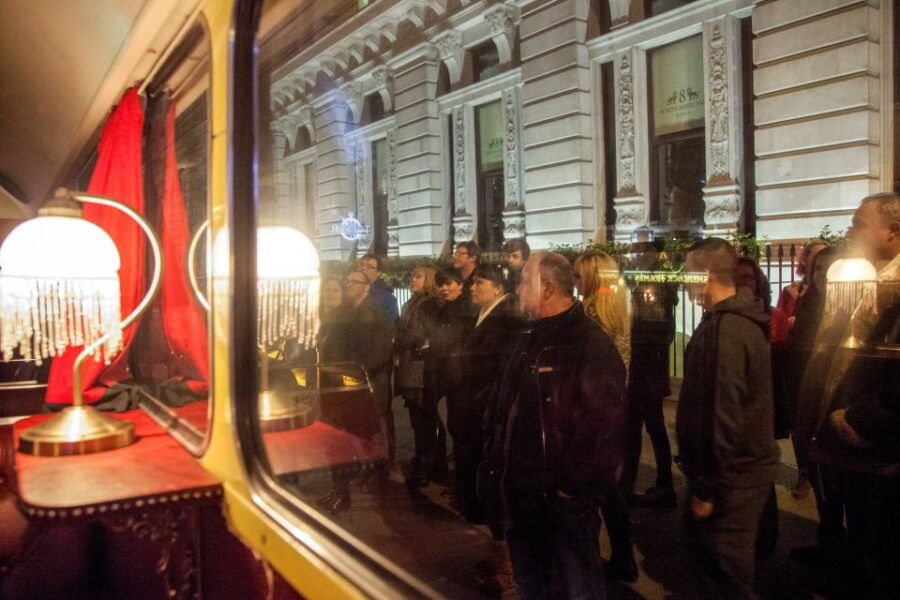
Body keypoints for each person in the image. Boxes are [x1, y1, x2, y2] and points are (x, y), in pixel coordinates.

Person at [483, 252, 627, 599]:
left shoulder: (589, 344)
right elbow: (504, 404)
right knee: (532, 584)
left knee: (575, 587)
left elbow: (602, 428)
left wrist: (571, 488)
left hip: (561, 503)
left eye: (524, 281)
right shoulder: (526, 337)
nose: (518, 289)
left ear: (547, 289)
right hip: (522, 495)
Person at [801, 193, 900, 597]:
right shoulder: (865, 277)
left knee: (884, 546)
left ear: (892, 231)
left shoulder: (894, 286)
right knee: (863, 533)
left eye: (860, 223)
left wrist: (860, 419)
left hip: (881, 439)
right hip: (859, 440)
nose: (849, 230)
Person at [676, 237, 779, 600]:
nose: (683, 279)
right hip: (734, 473)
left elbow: (723, 413)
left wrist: (707, 487)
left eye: (688, 272)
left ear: (705, 275)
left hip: (732, 478)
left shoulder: (728, 330)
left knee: (723, 575)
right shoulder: (727, 321)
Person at [460, 264, 524, 596]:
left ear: (498, 288)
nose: (472, 288)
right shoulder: (486, 314)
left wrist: (484, 406)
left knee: (497, 488)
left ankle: (508, 568)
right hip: (479, 411)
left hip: (490, 414)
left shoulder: (506, 320)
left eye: (479, 282)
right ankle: (499, 555)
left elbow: (498, 371)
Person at [573, 252, 637, 582]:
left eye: (579, 275)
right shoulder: (618, 311)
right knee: (610, 490)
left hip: (594, 413)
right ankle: (623, 557)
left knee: (588, 490)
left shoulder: (590, 317)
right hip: (615, 411)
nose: (575, 282)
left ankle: (588, 561)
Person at [316, 271, 394, 512]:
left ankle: (353, 489)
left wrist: (352, 375)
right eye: (346, 281)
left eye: (353, 282)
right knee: (333, 441)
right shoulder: (335, 317)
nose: (348, 285)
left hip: (354, 390)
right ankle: (339, 490)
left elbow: (372, 355)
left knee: (354, 441)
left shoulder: (363, 318)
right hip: (333, 388)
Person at [624, 228, 677, 506]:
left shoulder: (657, 280)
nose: (636, 254)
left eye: (641, 249)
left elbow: (657, 325)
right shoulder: (639, 278)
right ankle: (632, 482)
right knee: (637, 426)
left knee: (651, 425)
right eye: (635, 249)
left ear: (653, 252)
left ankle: (663, 483)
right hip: (643, 364)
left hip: (649, 365)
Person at [427, 266, 476, 503]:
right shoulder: (448, 307)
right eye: (440, 284)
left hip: (461, 380)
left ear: (460, 284)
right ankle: (461, 485)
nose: (444, 288)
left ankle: (465, 488)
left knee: (463, 433)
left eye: (449, 283)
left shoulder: (465, 309)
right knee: (456, 431)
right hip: (451, 378)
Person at [395, 265, 441, 488]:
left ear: (429, 280)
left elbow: (417, 333)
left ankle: (427, 463)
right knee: (418, 418)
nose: (413, 280)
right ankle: (424, 460)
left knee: (424, 418)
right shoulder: (413, 302)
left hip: (419, 369)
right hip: (410, 367)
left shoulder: (427, 303)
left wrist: (398, 337)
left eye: (419, 277)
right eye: (413, 276)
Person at [358, 253, 399, 324]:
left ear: (378, 273)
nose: (363, 269)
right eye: (361, 265)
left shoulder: (388, 299)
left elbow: (392, 326)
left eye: (369, 266)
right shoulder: (348, 292)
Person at [452, 241, 480, 313]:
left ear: (473, 258)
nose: (455, 257)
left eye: (459, 254)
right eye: (455, 254)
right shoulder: (453, 277)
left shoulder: (480, 278)